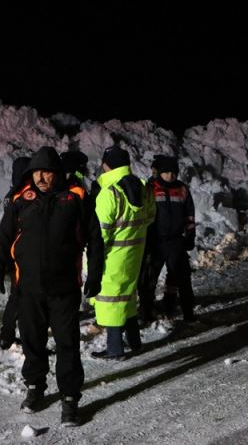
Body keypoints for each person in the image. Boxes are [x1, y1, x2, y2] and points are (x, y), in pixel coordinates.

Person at [0, 146, 104, 427]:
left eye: (47, 172)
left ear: (57, 174)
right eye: (36, 172)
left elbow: (94, 238)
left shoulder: (75, 197)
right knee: (32, 341)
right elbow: (4, 238)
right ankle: (35, 387)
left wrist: (95, 274)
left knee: (67, 344)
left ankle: (70, 399)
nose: (40, 178)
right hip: (28, 289)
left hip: (64, 289)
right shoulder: (21, 199)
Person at [90, 146, 155, 360]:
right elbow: (150, 217)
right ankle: (134, 342)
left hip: (113, 256)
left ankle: (115, 349)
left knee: (111, 299)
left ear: (106, 165)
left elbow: (100, 234)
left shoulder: (110, 193)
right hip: (135, 253)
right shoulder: (144, 188)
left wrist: (93, 258)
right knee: (127, 295)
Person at [139, 155, 197, 323]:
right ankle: (146, 311)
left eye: (173, 172)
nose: (170, 175)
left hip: (175, 241)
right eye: (166, 172)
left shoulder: (182, 189)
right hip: (155, 242)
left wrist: (190, 235)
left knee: (182, 278)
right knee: (149, 279)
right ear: (160, 172)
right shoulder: (150, 188)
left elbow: (189, 214)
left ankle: (185, 311)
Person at [0, 155, 32, 350]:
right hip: (21, 252)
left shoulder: (11, 194)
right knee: (23, 296)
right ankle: (17, 337)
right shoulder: (24, 195)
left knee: (17, 295)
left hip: (12, 252)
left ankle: (7, 334)